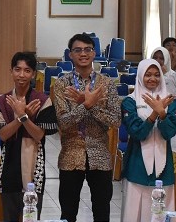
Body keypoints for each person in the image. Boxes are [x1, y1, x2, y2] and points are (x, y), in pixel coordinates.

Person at [50, 33, 121, 222]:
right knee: (68, 213)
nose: (83, 54)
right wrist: (86, 105)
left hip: (100, 154)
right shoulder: (61, 84)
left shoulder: (106, 84)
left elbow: (116, 121)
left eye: (87, 49)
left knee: (102, 213)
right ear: (70, 54)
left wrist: (90, 105)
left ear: (94, 53)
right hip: (71, 154)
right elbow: (63, 122)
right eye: (78, 50)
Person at [0, 52, 58, 221]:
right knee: (10, 217)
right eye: (17, 69)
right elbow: (3, 135)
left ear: (33, 74)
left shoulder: (42, 100)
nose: (21, 74)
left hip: (34, 167)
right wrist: (21, 117)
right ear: (11, 71)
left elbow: (39, 134)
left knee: (31, 217)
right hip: (9, 167)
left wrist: (23, 116)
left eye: (27, 70)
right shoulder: (2, 101)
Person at [121, 59, 176, 222]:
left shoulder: (171, 102)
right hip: (137, 166)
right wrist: (155, 114)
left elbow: (170, 132)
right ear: (140, 76)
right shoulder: (130, 101)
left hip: (164, 168)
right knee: (135, 212)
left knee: (162, 212)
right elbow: (137, 132)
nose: (152, 79)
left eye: (156, 75)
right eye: (148, 75)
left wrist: (163, 114)